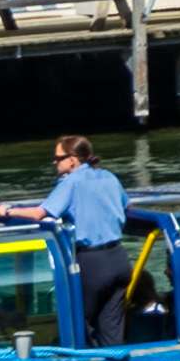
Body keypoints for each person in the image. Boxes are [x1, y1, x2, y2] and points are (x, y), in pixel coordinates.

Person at [40, 132, 132, 345]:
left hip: (92, 262)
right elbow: (127, 205)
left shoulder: (71, 182)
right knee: (111, 326)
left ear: (72, 160)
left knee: (77, 322)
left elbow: (40, 213)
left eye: (58, 158)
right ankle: (114, 360)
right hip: (119, 258)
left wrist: (8, 210)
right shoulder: (108, 176)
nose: (54, 163)